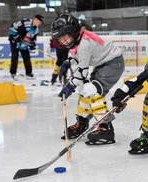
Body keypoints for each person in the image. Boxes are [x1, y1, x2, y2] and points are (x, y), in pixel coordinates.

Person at [51, 14, 125, 145]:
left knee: (91, 90)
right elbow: (79, 59)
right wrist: (68, 62)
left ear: (73, 31)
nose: (63, 41)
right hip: (104, 64)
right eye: (60, 38)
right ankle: (82, 123)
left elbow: (82, 72)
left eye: (65, 37)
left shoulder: (84, 43)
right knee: (84, 89)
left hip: (113, 64)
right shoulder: (79, 40)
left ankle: (105, 128)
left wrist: (69, 86)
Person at [8, 14, 44, 80]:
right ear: (35, 19)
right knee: (15, 57)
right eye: (39, 21)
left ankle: (28, 73)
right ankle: (13, 73)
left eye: (41, 22)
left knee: (27, 57)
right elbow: (12, 27)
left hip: (24, 43)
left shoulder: (36, 30)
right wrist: (16, 37)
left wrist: (33, 44)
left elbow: (34, 39)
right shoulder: (25, 22)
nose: (40, 23)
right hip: (14, 42)